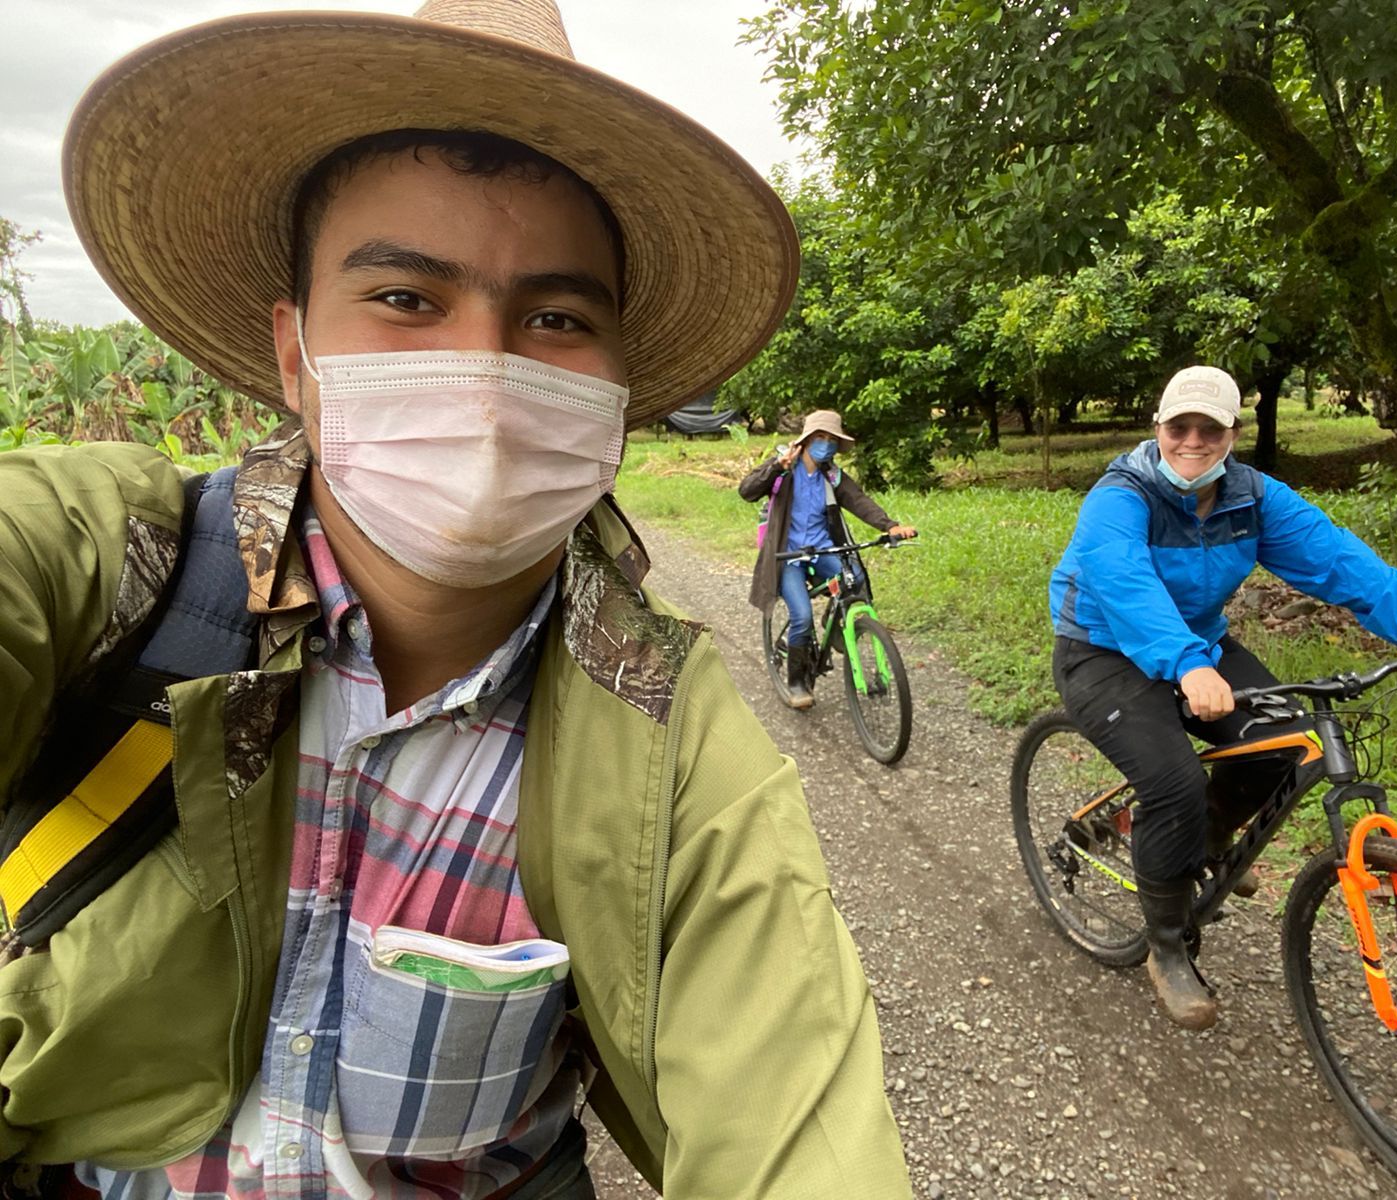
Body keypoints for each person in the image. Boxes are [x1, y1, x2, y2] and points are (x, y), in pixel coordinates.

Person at [0, 2, 913, 1197]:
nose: (485, 372)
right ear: (293, 353)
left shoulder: (667, 740)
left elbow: (795, 1118)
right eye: (404, 299)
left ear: (618, 386)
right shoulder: (110, 562)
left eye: (556, 318)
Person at [1048, 366, 1397, 1031]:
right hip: (1103, 650)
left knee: (1281, 747)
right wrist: (1187, 665)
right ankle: (1166, 945)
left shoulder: (1253, 498)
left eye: (1210, 428)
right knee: (1174, 783)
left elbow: (1335, 558)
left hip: (1197, 645)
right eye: (1179, 426)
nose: (1193, 440)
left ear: (1233, 434)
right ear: (1158, 427)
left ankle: (1205, 841)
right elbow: (1123, 582)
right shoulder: (1120, 497)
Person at [739, 411, 916, 709]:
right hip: (788, 556)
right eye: (820, 437)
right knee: (801, 616)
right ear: (807, 440)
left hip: (823, 550)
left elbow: (859, 501)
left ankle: (834, 623)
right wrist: (776, 467)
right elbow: (747, 491)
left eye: (832, 439)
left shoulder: (831, 475)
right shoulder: (785, 467)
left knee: (855, 580)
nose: (826, 444)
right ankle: (797, 682)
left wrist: (890, 526)